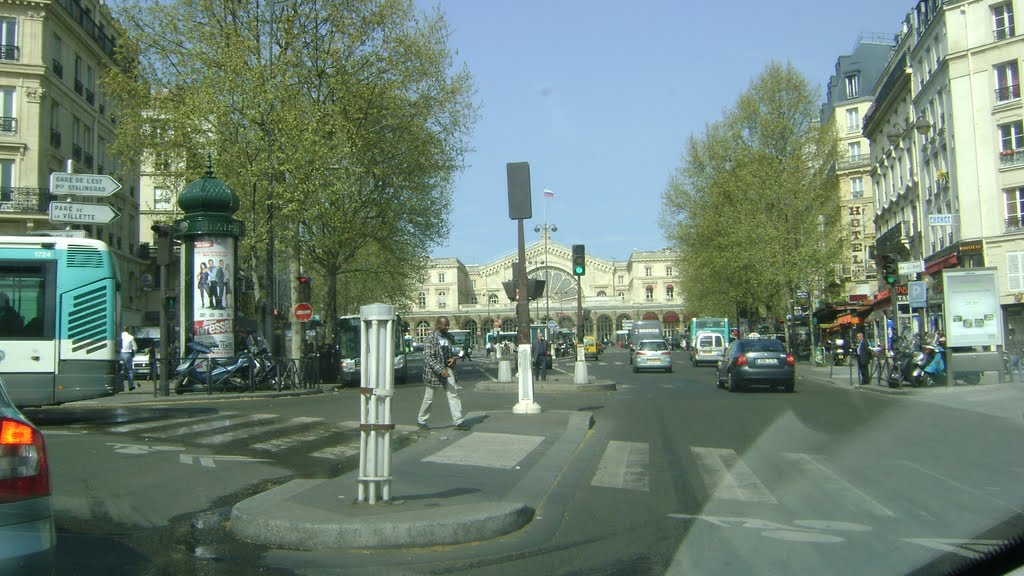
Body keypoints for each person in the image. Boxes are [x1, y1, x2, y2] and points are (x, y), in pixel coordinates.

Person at [417, 316, 469, 431]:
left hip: (447, 369)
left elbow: (450, 353)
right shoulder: (431, 338)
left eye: (448, 325)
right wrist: (441, 369)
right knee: (429, 398)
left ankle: (458, 421)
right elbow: (428, 357)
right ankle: (421, 419)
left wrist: (453, 359)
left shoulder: (449, 337)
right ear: (438, 325)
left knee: (453, 395)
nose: (447, 327)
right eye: (445, 325)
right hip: (433, 372)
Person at [120, 326, 138, 391]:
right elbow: (135, 347)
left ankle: (121, 386)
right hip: (128, 354)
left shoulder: (120, 336)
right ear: (128, 330)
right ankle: (131, 386)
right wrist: (133, 354)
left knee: (121, 371)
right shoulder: (130, 337)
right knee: (130, 371)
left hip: (120, 354)